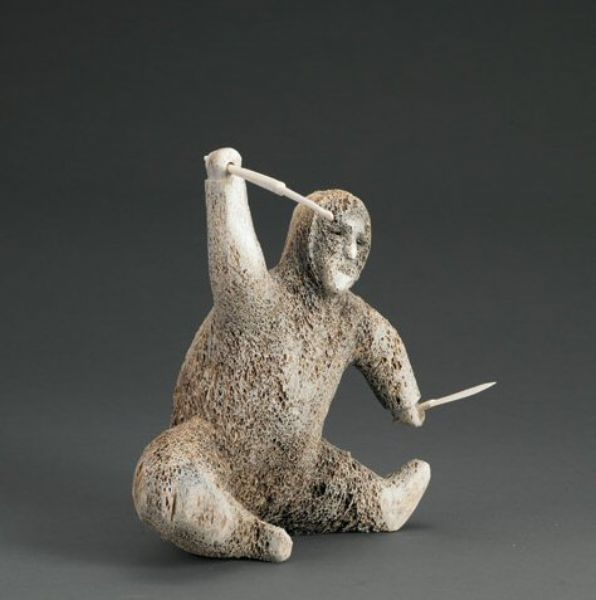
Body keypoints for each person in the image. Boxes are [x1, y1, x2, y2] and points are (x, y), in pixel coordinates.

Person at [132, 148, 430, 562]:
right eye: (338, 234)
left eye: (361, 241)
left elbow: (384, 345)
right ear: (307, 233)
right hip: (211, 455)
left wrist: (408, 403)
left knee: (371, 500)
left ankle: (380, 504)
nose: (351, 251)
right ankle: (246, 535)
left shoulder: (352, 318)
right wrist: (224, 187)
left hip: (299, 474)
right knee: (162, 484)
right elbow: (235, 261)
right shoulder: (259, 297)